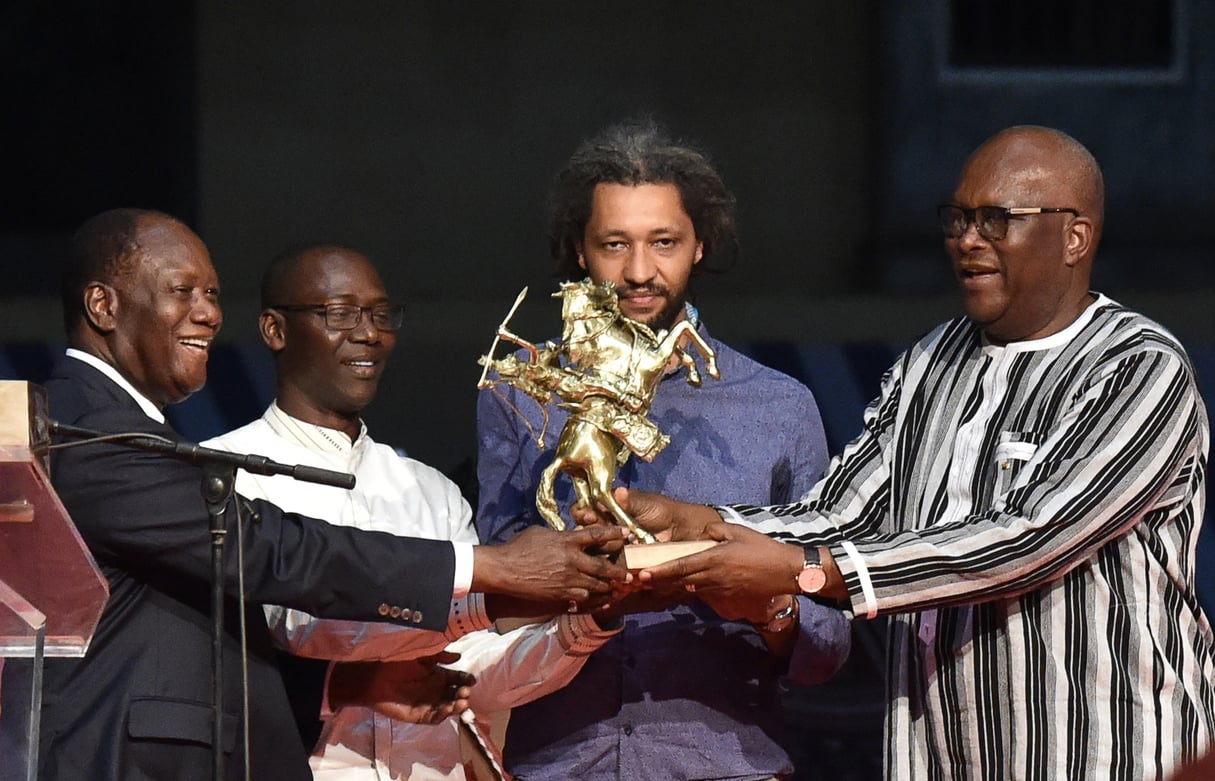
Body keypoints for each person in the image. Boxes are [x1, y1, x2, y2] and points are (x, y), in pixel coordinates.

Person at [612, 125, 1215, 780]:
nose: (965, 238)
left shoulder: (1138, 367)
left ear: (1075, 236)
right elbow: (843, 513)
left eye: (995, 219)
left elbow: (1025, 541)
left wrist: (804, 570)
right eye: (956, 217)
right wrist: (699, 528)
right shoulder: (931, 360)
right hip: (943, 757)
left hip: (1107, 753)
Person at [0, 209, 626, 781]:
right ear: (104, 306)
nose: (209, 313)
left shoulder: (131, 432)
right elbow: (269, 549)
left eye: (212, 294)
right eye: (181, 291)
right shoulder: (82, 427)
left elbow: (192, 630)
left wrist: (343, 685)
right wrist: (486, 566)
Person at [476, 120, 851, 780]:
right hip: (561, 761)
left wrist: (765, 601)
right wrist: (577, 584)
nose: (639, 271)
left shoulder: (778, 406)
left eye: (664, 242)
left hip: (728, 763)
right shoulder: (522, 397)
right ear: (579, 251)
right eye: (614, 244)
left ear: (700, 245)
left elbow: (826, 647)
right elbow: (489, 606)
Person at [204, 243, 622, 779]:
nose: (369, 333)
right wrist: (490, 585)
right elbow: (301, 630)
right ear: (274, 330)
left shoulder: (431, 490)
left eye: (381, 315)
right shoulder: (225, 476)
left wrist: (586, 620)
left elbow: (472, 672)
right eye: (340, 314)